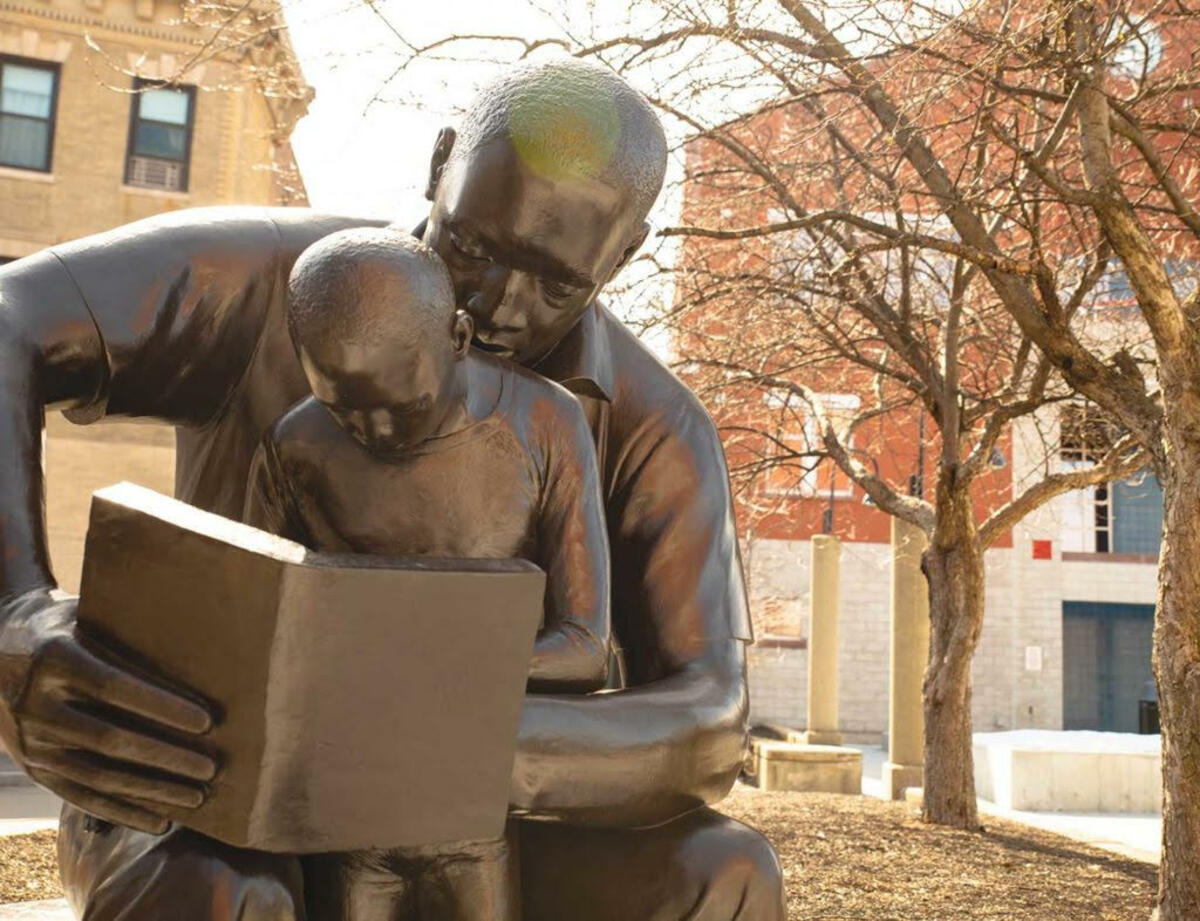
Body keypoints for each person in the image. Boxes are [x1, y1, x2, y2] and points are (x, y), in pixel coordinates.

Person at [0, 59, 785, 920]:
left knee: (724, 872)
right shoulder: (268, 281)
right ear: (442, 164)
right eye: (472, 247)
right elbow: (9, 315)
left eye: (557, 284)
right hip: (193, 791)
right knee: (224, 893)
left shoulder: (654, 426)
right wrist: (13, 615)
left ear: (624, 253)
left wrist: (424, 743)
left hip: (486, 823)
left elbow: (710, 719)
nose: (496, 309)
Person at [241, 226, 611, 919]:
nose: (376, 432)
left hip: (476, 811)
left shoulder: (545, 423)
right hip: (351, 812)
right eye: (343, 408)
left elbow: (586, 646)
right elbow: (260, 633)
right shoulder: (294, 446)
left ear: (459, 337)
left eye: (402, 403)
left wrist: (418, 667)